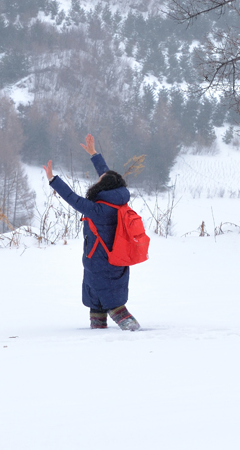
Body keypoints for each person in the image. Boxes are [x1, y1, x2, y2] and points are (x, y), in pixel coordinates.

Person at [42, 135, 141, 331]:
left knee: (110, 301)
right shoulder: (118, 199)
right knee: (97, 301)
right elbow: (107, 175)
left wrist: (53, 179)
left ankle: (132, 329)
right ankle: (97, 336)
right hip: (113, 260)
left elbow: (73, 198)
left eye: (100, 180)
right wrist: (94, 154)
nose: (99, 179)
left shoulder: (99, 210)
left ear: (104, 186)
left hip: (100, 262)